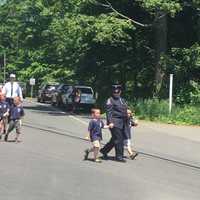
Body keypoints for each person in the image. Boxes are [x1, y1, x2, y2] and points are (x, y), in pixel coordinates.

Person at [100, 85, 128, 163]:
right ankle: (119, 157)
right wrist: (110, 122)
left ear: (120, 92)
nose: (116, 94)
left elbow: (126, 111)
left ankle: (104, 150)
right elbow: (109, 112)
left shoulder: (123, 100)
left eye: (117, 92)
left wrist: (131, 120)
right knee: (119, 139)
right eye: (114, 92)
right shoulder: (110, 100)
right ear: (112, 93)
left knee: (115, 139)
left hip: (122, 123)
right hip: (114, 122)